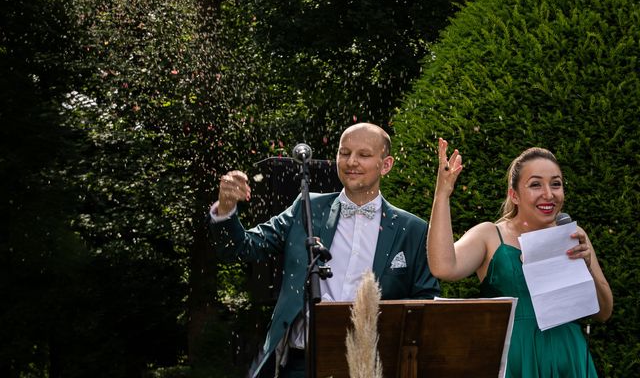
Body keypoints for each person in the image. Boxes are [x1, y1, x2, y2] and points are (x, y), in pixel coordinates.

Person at [208, 123, 440, 377]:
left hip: (372, 367)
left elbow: (425, 304)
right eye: (344, 152)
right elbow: (240, 249)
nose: (351, 161)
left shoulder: (414, 230)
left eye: (363, 155)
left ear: (385, 165)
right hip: (300, 364)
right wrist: (226, 209)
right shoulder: (306, 209)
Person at [427, 138, 613, 377]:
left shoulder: (574, 236)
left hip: (569, 358)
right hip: (513, 360)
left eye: (556, 184)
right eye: (536, 185)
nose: (549, 194)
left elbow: (604, 312)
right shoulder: (490, 235)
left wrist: (587, 267)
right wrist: (442, 195)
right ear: (514, 195)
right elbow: (443, 267)